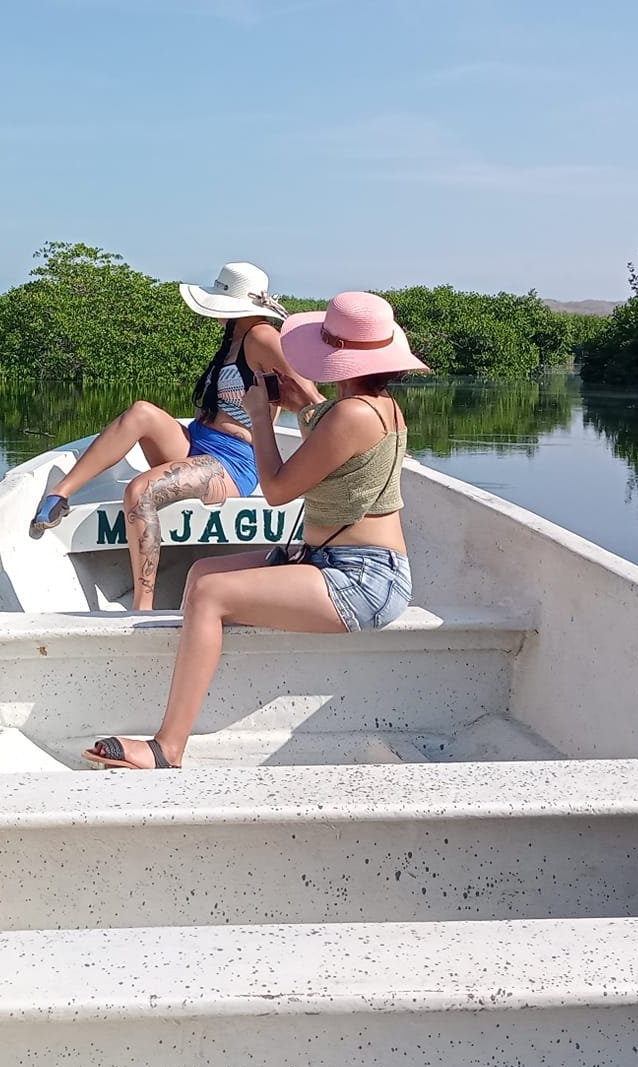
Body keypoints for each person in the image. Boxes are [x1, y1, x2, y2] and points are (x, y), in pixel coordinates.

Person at [82, 291, 423, 770]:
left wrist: (260, 416)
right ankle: (185, 689)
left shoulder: (352, 415)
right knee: (201, 571)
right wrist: (298, 399)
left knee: (211, 595)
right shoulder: (374, 406)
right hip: (330, 558)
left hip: (363, 579)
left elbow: (279, 488)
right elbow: (321, 441)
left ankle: (167, 748)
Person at [29, 261, 319, 614]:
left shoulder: (261, 336)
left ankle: (142, 606)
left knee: (139, 491)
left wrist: (322, 444)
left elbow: (307, 392)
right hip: (197, 441)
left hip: (232, 462)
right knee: (141, 412)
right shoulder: (233, 338)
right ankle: (60, 494)